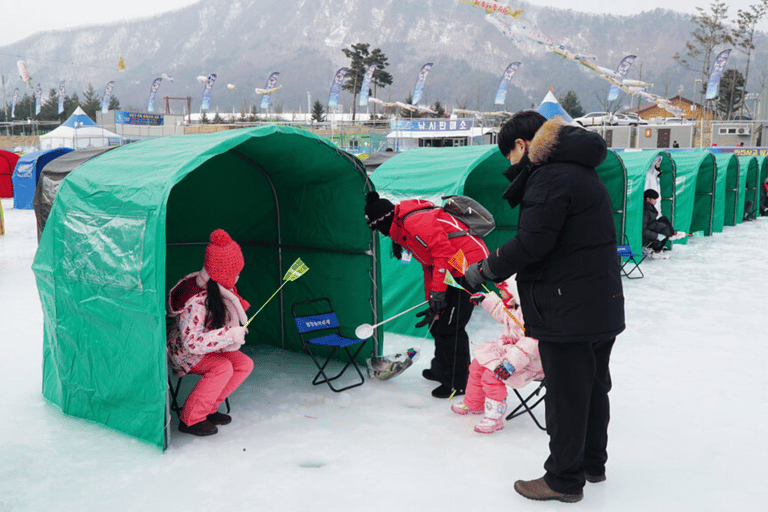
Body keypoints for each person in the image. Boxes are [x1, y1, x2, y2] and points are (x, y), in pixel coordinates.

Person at [461, 112, 625, 503]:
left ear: (522, 146)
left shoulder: (550, 177)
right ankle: (591, 464)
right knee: (592, 388)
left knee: (568, 395)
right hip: (597, 304)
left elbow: (532, 244)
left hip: (566, 307)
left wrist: (481, 270)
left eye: (508, 157)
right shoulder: (580, 171)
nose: (511, 167)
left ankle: (564, 480)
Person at [364, 191, 489, 398]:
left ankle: (459, 382)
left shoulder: (415, 221)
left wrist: (438, 294)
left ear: (383, 220)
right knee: (439, 323)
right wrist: (432, 301)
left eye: (377, 228)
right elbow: (428, 264)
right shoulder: (401, 228)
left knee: (452, 327)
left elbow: (443, 254)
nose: (380, 233)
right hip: (451, 268)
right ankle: (441, 369)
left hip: (468, 266)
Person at [167, 229, 255, 436]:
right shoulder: (196, 300)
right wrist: (228, 335)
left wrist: (229, 334)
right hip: (183, 352)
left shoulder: (221, 290)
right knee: (223, 367)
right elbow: (192, 342)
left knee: (244, 364)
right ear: (222, 274)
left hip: (209, 346)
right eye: (235, 273)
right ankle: (191, 419)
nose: (238, 277)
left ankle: (208, 409)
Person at [451, 281, 543, 434]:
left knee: (493, 374)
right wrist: (485, 299)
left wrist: (511, 363)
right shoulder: (515, 306)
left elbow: (532, 344)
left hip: (529, 362)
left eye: (504, 290)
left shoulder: (533, 314)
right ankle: (474, 402)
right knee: (477, 365)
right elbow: (501, 311)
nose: (501, 293)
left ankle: (494, 418)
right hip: (509, 351)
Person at [642, 189, 685, 258]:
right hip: (645, 238)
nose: (656, 201)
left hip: (650, 231)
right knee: (664, 228)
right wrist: (656, 236)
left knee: (663, 219)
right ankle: (657, 251)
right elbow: (643, 230)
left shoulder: (649, 208)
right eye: (654, 199)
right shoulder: (646, 211)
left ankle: (672, 233)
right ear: (648, 199)